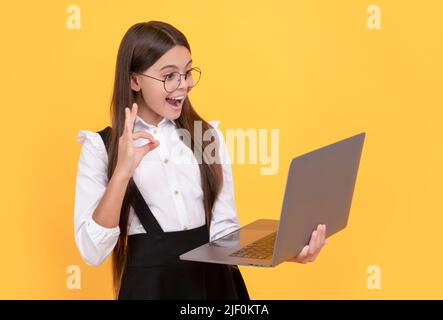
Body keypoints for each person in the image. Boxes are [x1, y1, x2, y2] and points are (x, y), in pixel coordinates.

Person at [74, 20, 327, 300]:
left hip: (215, 286)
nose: (184, 85)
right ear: (135, 80)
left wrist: (287, 251)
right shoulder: (101, 147)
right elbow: (92, 251)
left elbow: (224, 233)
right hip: (149, 289)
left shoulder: (207, 136)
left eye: (187, 72)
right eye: (169, 75)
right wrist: (122, 173)